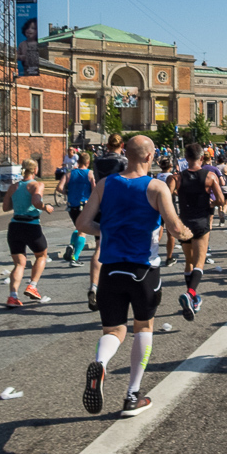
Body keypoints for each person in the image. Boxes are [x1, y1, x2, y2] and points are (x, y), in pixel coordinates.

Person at [77, 136, 192, 418]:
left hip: (110, 269)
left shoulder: (105, 184)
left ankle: (101, 363)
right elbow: (175, 227)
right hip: (143, 270)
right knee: (143, 327)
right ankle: (132, 395)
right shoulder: (156, 186)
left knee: (114, 331)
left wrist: (107, 232)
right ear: (150, 156)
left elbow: (82, 223)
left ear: (126, 155)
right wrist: (190, 235)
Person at [170, 142, 224, 320]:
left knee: (188, 261)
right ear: (202, 157)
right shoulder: (209, 176)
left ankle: (191, 299)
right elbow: (222, 200)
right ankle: (191, 293)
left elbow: (165, 197)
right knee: (199, 263)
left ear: (186, 158)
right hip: (201, 222)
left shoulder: (177, 178)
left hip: (183, 223)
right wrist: (213, 203)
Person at [2, 159, 54, 308]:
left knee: (19, 264)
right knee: (42, 255)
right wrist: (45, 207)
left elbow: (5, 207)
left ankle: (12, 296)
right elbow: (37, 201)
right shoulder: (37, 185)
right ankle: (32, 285)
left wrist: (18, 202)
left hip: (15, 226)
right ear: (35, 170)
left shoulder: (14, 187)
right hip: (31, 225)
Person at [89, 135, 129, 308]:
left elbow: (97, 181)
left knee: (99, 247)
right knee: (122, 245)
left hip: (101, 204)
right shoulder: (123, 161)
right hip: (119, 206)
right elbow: (128, 182)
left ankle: (94, 286)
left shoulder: (97, 161)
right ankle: (118, 286)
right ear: (121, 145)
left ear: (107, 145)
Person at [62, 152, 95, 269]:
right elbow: (95, 189)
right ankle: (74, 258)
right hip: (84, 205)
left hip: (72, 206)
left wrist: (68, 193)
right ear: (87, 162)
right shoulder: (90, 174)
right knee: (83, 231)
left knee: (78, 227)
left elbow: (59, 188)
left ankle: (71, 245)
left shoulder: (69, 174)